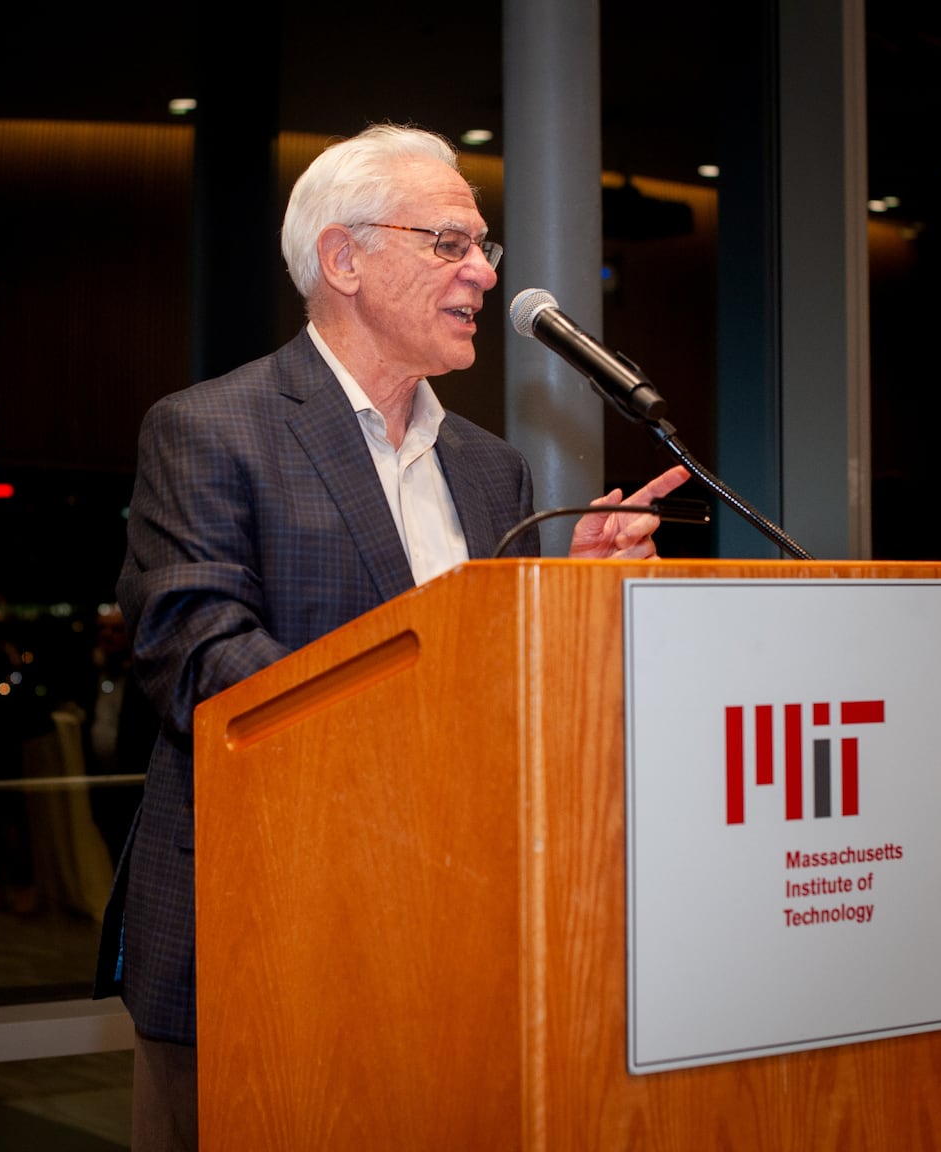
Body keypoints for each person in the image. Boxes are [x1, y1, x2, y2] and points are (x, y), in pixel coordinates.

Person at [93, 123, 690, 1150]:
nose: (482, 275)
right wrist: (410, 722)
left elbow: (490, 682)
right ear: (344, 258)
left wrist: (567, 595)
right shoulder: (209, 431)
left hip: (449, 932)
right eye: (449, 243)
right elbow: (200, 664)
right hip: (264, 934)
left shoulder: (492, 469)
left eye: (485, 247)